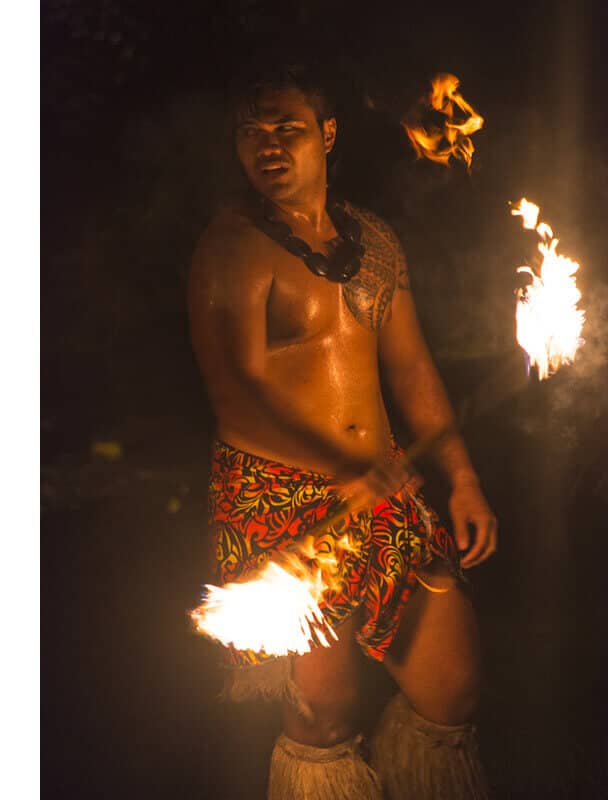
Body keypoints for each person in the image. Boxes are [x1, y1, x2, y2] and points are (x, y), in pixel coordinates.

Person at [187, 62, 497, 798]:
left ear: (326, 135)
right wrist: (339, 466)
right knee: (324, 716)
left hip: (382, 488)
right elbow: (236, 391)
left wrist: (463, 477)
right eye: (250, 132)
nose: (267, 146)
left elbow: (414, 371)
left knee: (451, 689)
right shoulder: (230, 249)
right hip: (278, 501)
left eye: (286, 129)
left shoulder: (373, 242)